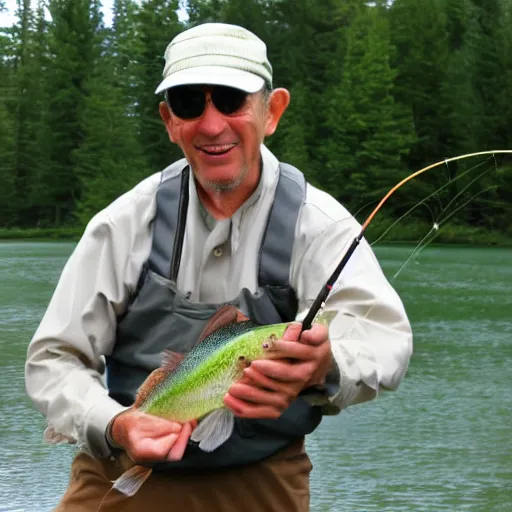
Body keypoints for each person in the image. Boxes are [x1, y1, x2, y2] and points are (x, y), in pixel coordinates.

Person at [25, 22, 413, 511]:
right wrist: (115, 423)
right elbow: (54, 359)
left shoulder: (320, 225)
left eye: (231, 100)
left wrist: (326, 364)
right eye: (190, 103)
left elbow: (386, 339)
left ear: (271, 112)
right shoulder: (122, 224)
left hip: (264, 478)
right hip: (119, 470)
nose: (211, 125)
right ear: (169, 121)